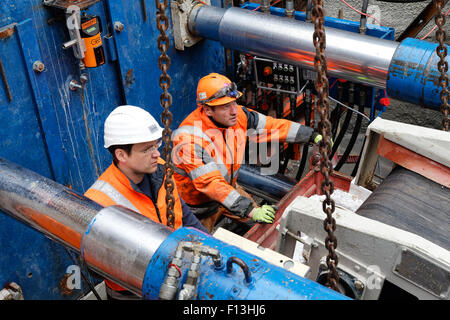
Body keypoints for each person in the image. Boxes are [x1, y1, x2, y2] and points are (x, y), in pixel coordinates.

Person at [172, 73, 323, 233]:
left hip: (229, 190)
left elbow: (271, 127)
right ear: (208, 110)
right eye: (225, 106)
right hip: (197, 210)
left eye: (234, 102)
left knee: (264, 229)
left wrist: (311, 135)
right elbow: (211, 184)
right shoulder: (188, 139)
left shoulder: (238, 117)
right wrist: (250, 210)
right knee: (200, 249)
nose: (234, 111)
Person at [84, 105, 208, 300]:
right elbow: (93, 267)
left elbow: (184, 215)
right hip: (132, 292)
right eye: (147, 149)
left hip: (174, 273)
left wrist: (212, 245)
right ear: (121, 155)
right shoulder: (99, 200)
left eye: (156, 145)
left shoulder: (160, 169)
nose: (157, 154)